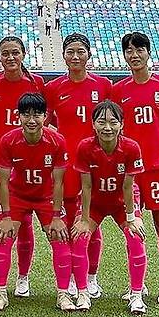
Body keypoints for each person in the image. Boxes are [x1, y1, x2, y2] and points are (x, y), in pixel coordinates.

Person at [111, 31, 159, 305]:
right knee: (134, 225)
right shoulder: (118, 90)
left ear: (148, 52)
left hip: (158, 168)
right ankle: (138, 283)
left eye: (139, 49)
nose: (134, 55)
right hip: (130, 171)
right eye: (129, 50)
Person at [0, 93, 73, 311]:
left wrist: (56, 216)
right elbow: (3, 182)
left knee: (59, 236)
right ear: (19, 116)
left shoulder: (57, 141)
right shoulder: (8, 140)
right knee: (3, 236)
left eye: (37, 114)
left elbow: (58, 183)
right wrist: (5, 216)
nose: (32, 120)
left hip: (45, 197)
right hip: (17, 196)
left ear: (46, 116)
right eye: (26, 114)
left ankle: (63, 294)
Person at [44, 33, 112, 299]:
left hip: (96, 164)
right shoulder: (53, 88)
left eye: (80, 52)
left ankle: (91, 278)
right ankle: (71, 278)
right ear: (63, 55)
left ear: (89, 55)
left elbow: (114, 123)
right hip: (65, 166)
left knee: (91, 223)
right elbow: (45, 123)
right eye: (70, 52)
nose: (75, 57)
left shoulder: (103, 85)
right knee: (69, 221)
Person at [0, 36, 45, 298]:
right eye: (4, 53)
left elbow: (43, 116)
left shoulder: (35, 83)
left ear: (24, 54)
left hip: (28, 162)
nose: (10, 58)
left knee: (24, 221)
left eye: (15, 52)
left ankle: (23, 276)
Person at [72, 100, 148, 314]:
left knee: (135, 236)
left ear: (122, 125)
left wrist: (133, 218)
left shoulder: (131, 147)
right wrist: (84, 219)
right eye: (101, 122)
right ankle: (83, 292)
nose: (107, 127)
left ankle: (136, 294)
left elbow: (128, 186)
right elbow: (86, 187)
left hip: (122, 203)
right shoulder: (85, 147)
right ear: (93, 125)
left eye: (113, 122)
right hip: (95, 201)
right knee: (80, 237)